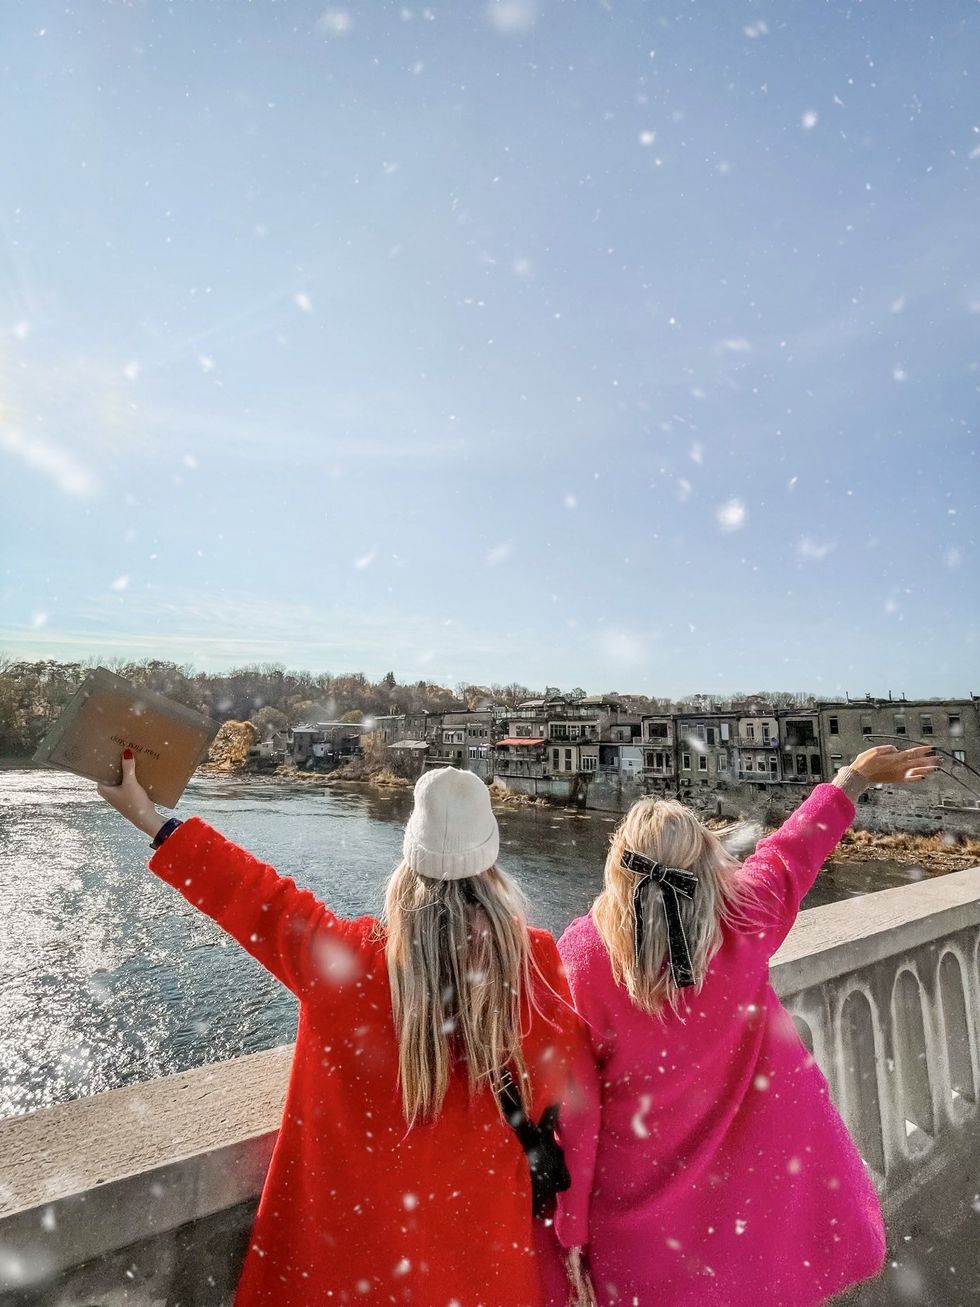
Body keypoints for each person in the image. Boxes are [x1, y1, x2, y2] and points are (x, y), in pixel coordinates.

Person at [97, 756, 583, 1307]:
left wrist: (148, 815)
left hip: (345, 1264)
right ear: (494, 871)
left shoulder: (347, 964)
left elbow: (255, 897)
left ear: (408, 866)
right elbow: (549, 1086)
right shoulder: (538, 966)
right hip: (475, 1260)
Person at [553, 744, 940, 1307]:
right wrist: (852, 777)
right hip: (756, 1203)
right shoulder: (743, 919)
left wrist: (570, 1228)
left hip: (644, 1223)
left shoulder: (585, 959)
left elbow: (575, 1114)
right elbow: (791, 852)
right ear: (707, 866)